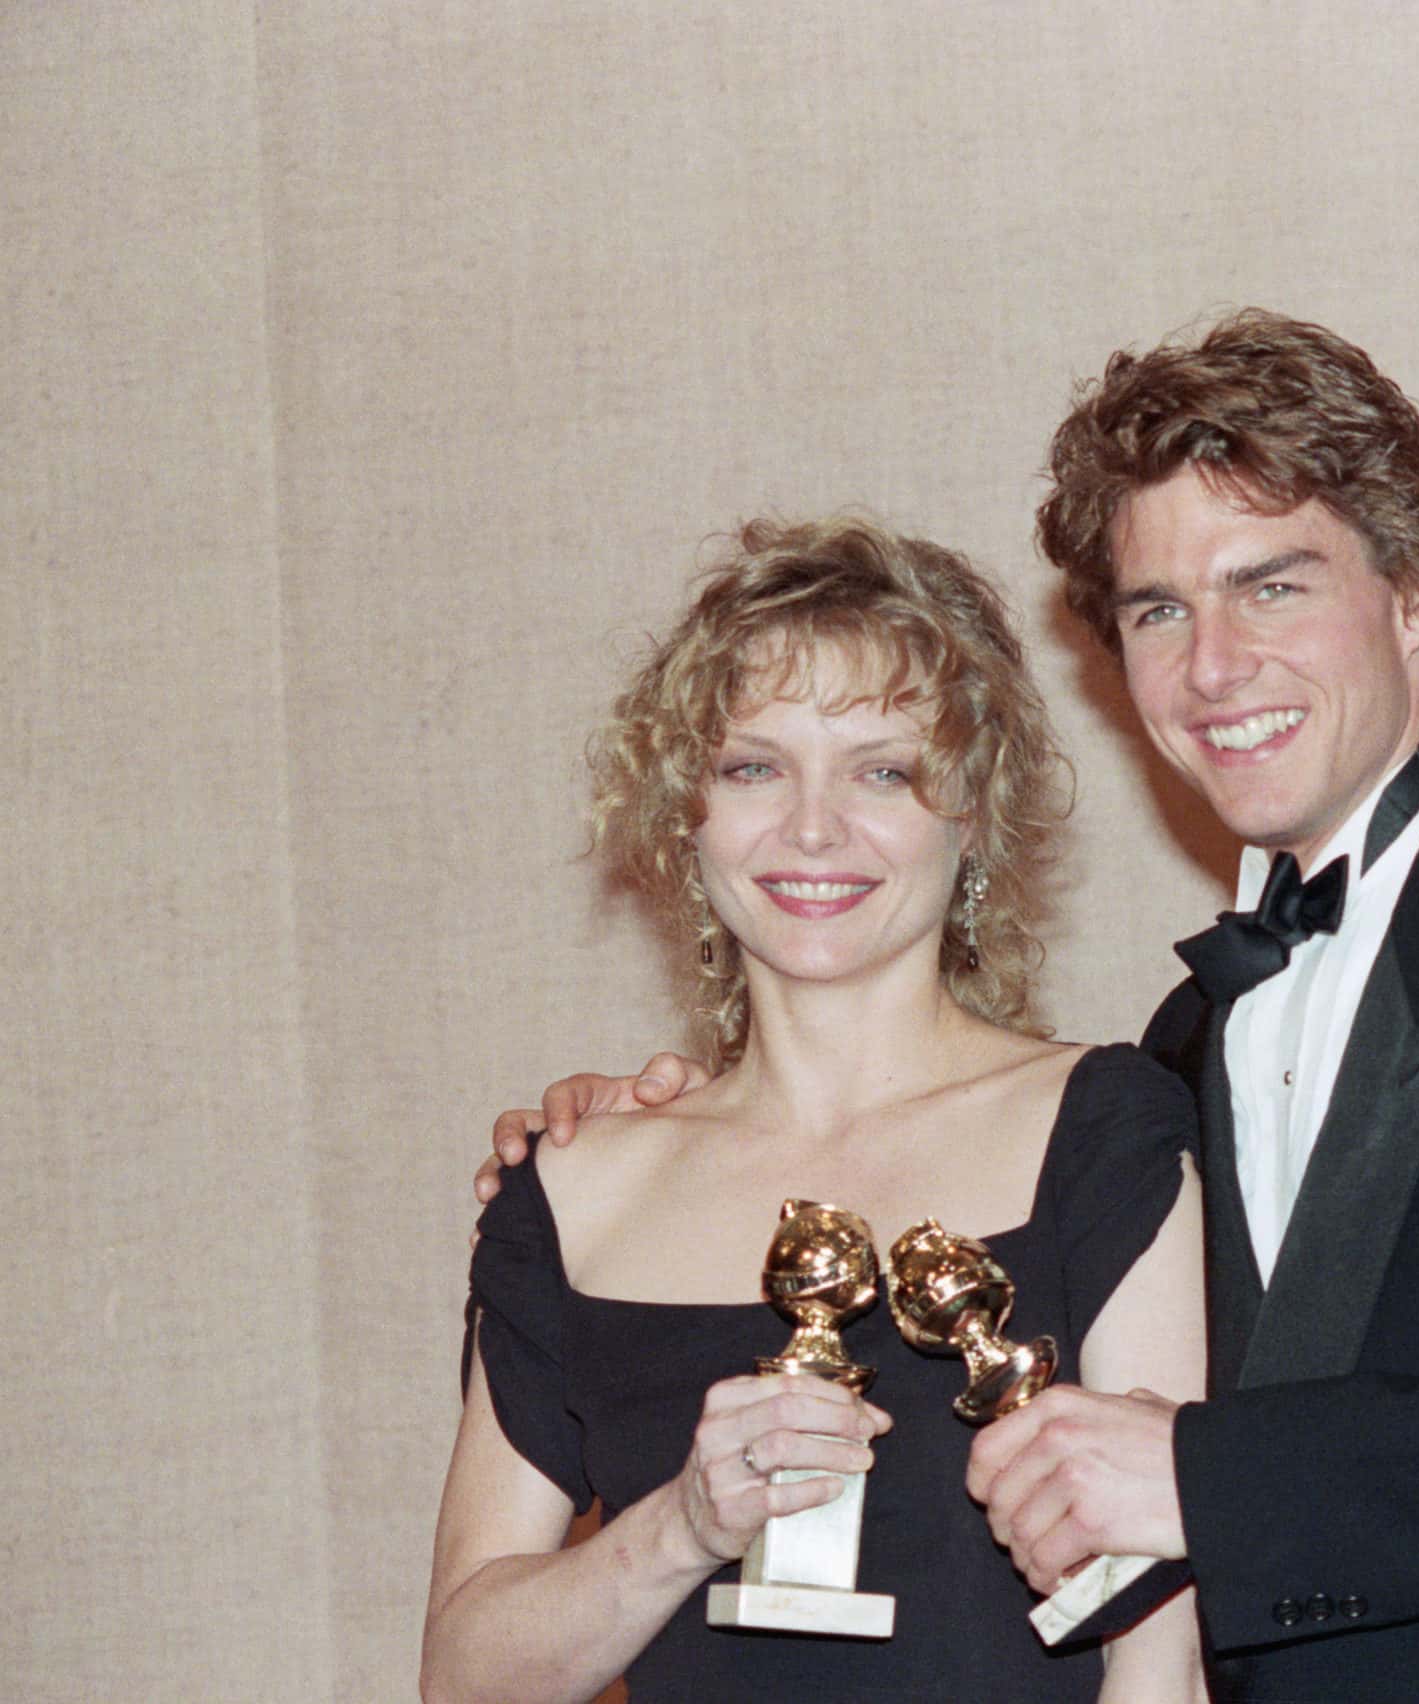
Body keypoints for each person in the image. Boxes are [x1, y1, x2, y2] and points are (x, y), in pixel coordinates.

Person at [489, 312, 1419, 1701]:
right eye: (1158, 612)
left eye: (1270, 587)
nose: (1213, 665)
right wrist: (641, 1129)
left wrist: (1195, 1480)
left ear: (1418, 592)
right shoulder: (1182, 1046)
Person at [426, 517, 1207, 1703]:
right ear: (683, 812)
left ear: (973, 813)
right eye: (753, 767)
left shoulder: (1103, 1130)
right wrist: (683, 1524)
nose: (810, 827)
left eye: (882, 771)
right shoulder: (574, 1187)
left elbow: (1166, 1666)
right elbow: (467, 1676)